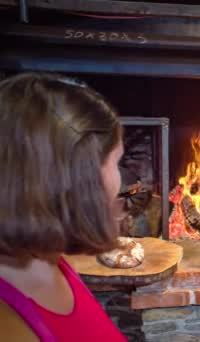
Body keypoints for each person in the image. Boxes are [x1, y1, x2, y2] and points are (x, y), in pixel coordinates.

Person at [0, 73, 127, 341]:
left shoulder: (51, 262)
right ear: (82, 176)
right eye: (117, 162)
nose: (121, 180)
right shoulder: (9, 327)